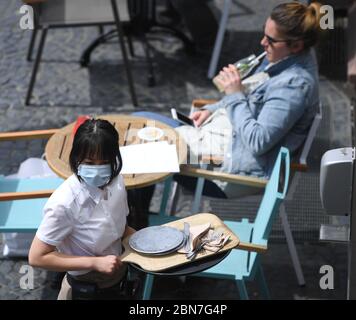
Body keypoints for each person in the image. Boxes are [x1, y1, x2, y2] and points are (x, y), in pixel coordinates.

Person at [134, 1, 324, 199]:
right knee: (139, 124)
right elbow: (250, 96)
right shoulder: (285, 57)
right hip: (219, 137)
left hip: (227, 172)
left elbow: (258, 141)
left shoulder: (293, 87)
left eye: (270, 39)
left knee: (138, 150)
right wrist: (213, 108)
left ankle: (136, 221)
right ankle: (136, 218)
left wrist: (233, 94)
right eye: (263, 33)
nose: (262, 42)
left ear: (296, 45)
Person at [29, 119, 135, 300]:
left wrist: (148, 242)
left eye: (104, 162)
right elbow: (37, 257)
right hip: (86, 289)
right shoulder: (64, 204)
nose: (97, 170)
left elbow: (122, 228)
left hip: (119, 279)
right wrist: (95, 263)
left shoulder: (117, 182)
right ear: (76, 159)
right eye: (90, 162)